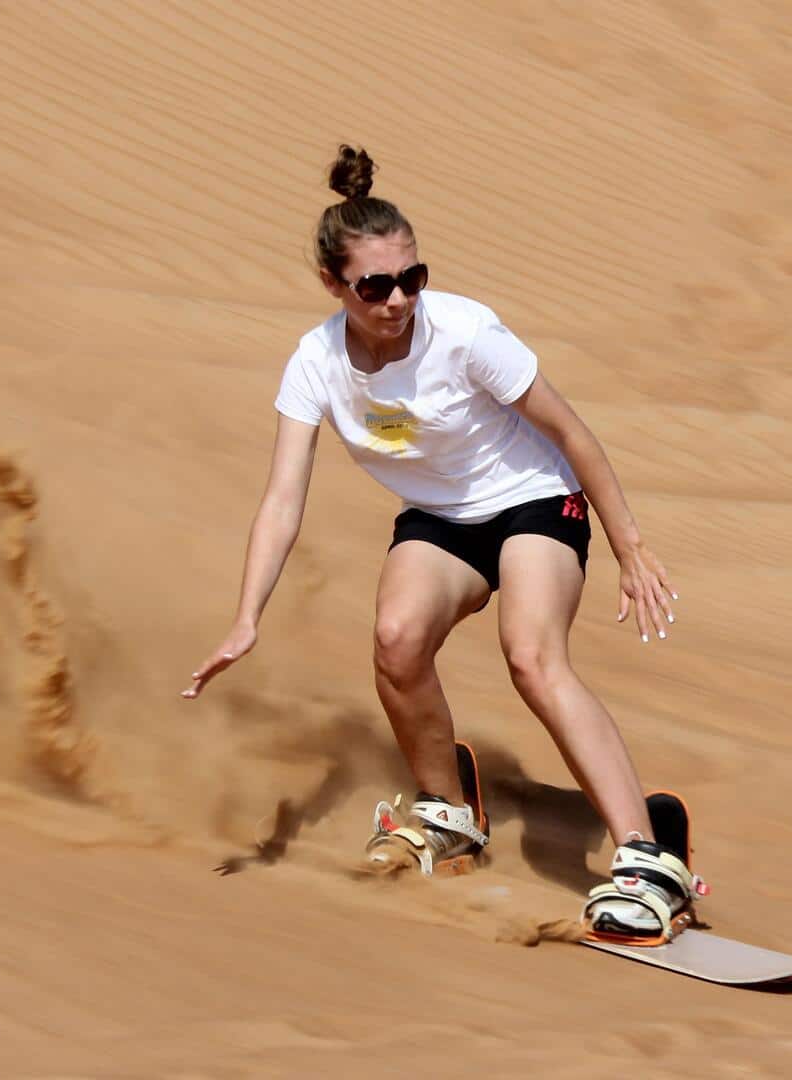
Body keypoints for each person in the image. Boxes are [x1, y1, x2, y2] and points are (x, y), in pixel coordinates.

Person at [181, 145, 696, 941]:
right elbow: (284, 497)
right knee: (395, 640)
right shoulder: (316, 362)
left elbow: (572, 433)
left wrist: (631, 548)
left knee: (530, 655)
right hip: (440, 520)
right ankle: (447, 815)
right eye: (377, 285)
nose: (398, 299)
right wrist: (247, 616)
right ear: (334, 285)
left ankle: (646, 857)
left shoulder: (463, 332)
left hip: (533, 501)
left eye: (411, 278)